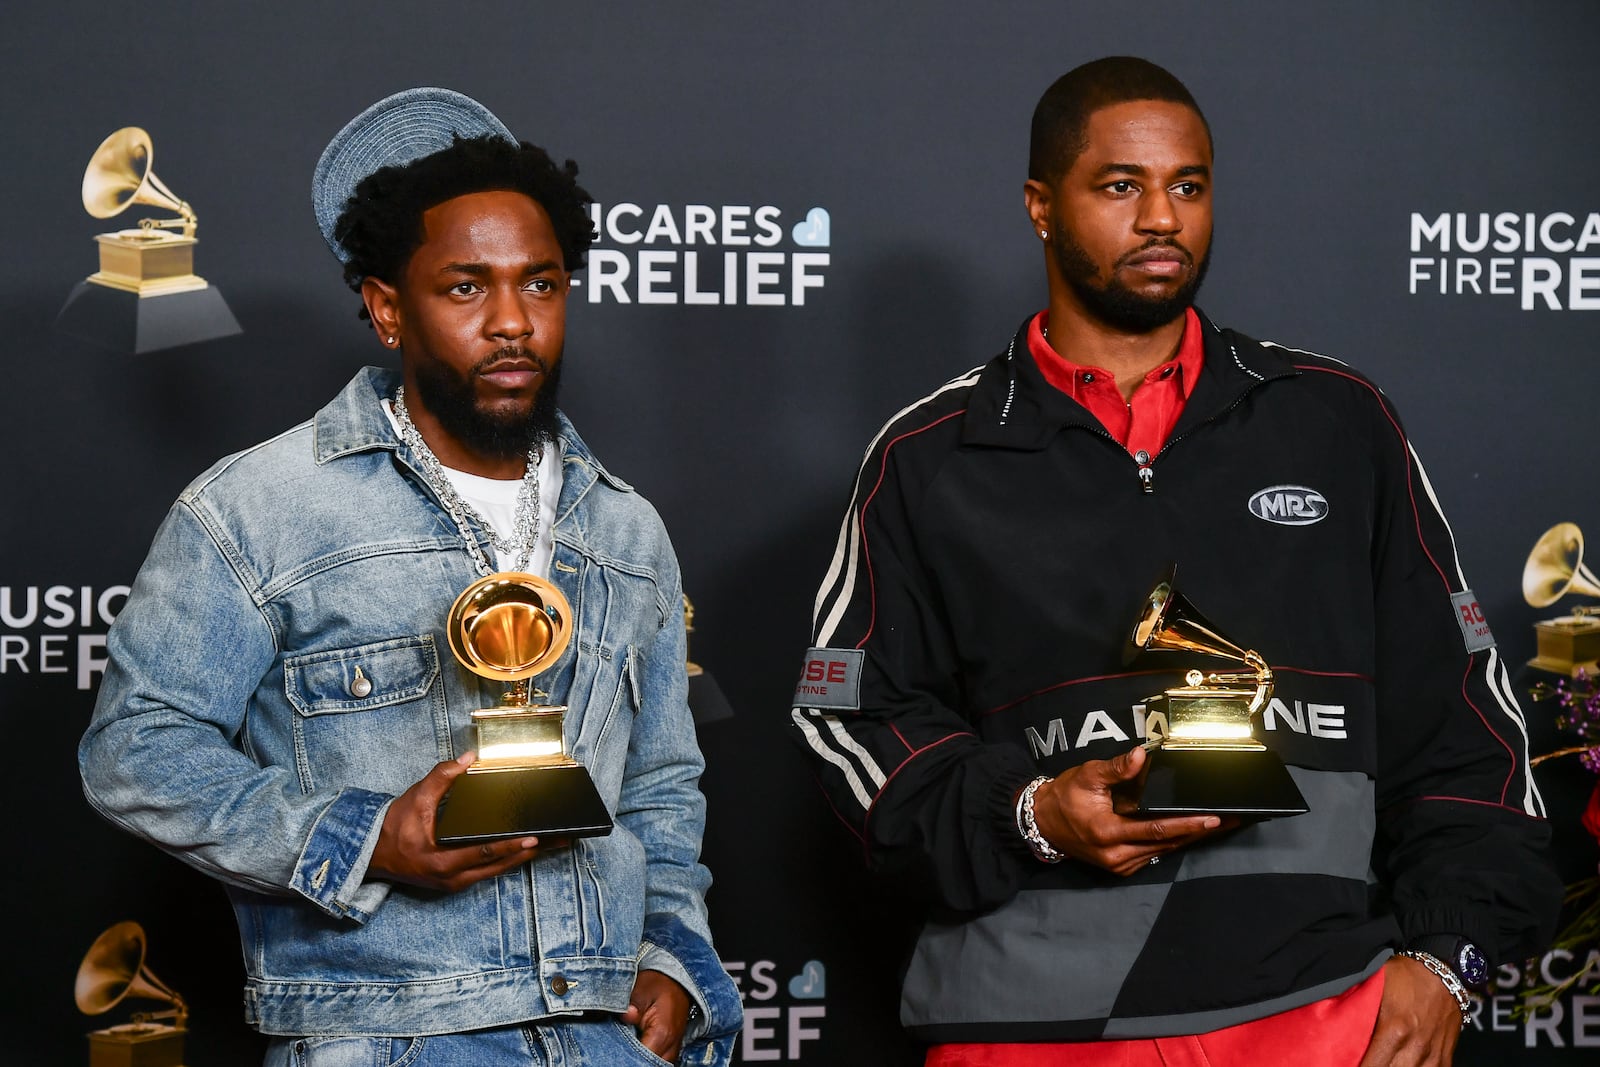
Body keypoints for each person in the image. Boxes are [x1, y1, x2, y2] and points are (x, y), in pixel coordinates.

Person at [790, 57, 1560, 1067]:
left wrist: (1446, 955)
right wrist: (1030, 812)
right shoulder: (926, 454)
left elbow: (1464, 718)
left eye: (1187, 186)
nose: (1162, 217)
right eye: (1120, 186)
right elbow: (849, 723)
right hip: (1029, 1025)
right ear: (1039, 205)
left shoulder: (1336, 421)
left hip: (1319, 1009)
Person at [80, 87, 740, 1067]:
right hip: (387, 1034)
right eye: (467, 287)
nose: (512, 321)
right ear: (388, 308)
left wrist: (673, 959)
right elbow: (135, 748)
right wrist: (364, 837)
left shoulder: (623, 527)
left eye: (542, 284)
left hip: (602, 1035)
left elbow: (659, 783)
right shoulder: (263, 506)